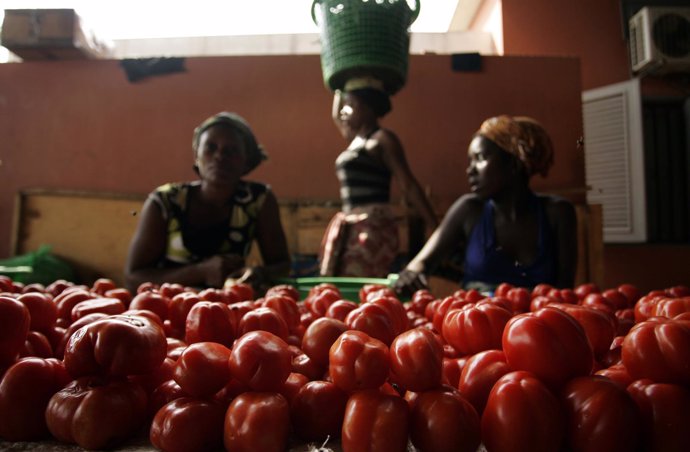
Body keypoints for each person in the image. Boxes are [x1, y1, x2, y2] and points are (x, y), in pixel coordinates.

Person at [394, 115, 577, 296]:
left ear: (513, 163)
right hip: (474, 321)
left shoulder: (558, 213)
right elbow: (421, 264)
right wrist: (411, 275)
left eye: (480, 158)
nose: (470, 170)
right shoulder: (468, 209)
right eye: (470, 160)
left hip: (538, 323)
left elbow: (564, 292)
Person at [125, 112, 291, 293]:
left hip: (234, 308)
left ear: (246, 162)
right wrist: (200, 272)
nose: (220, 156)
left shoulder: (258, 200)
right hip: (168, 307)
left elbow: (282, 265)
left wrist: (259, 273)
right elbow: (133, 278)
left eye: (232, 151)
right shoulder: (165, 202)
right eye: (210, 148)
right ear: (197, 156)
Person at [319, 76, 439, 278]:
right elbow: (336, 117)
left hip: (372, 227)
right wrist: (340, 84)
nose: (343, 110)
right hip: (349, 226)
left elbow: (408, 185)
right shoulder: (354, 139)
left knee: (364, 284)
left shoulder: (382, 139)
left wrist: (436, 228)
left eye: (350, 105)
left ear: (367, 108)